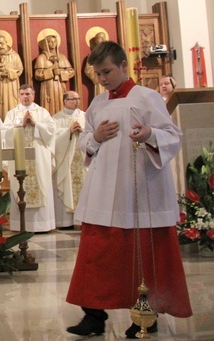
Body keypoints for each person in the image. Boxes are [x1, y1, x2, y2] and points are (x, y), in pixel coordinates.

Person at [66, 41, 192, 337]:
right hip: (102, 191)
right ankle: (94, 316)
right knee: (97, 255)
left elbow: (172, 136)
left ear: (124, 66)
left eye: (107, 71)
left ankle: (144, 317)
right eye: (98, 74)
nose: (103, 79)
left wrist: (149, 133)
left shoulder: (147, 98)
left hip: (138, 190)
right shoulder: (97, 103)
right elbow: (84, 143)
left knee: (141, 256)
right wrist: (94, 137)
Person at [3, 84, 57, 232]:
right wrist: (20, 124)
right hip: (19, 156)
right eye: (22, 94)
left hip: (39, 157)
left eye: (28, 94)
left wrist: (35, 124)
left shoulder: (42, 112)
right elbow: (4, 133)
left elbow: (52, 131)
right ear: (18, 96)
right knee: (19, 186)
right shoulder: (12, 114)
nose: (25, 97)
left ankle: (43, 225)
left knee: (41, 183)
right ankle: (20, 225)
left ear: (33, 96)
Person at [51, 91, 85, 230]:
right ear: (65, 101)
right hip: (65, 160)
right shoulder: (56, 118)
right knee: (65, 185)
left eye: (78, 98)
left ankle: (82, 221)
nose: (76, 101)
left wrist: (82, 130)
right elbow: (53, 138)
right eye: (73, 99)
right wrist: (68, 132)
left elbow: (92, 133)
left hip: (82, 159)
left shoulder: (85, 116)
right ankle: (65, 222)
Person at [34, 32, 75, 116]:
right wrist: (51, 71)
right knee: (49, 104)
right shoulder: (42, 58)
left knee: (61, 102)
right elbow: (38, 74)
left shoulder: (62, 57)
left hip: (60, 85)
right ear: (46, 43)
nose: (53, 44)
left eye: (54, 41)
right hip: (48, 86)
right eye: (50, 42)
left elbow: (71, 71)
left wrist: (61, 72)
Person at [0, 33, 24, 120]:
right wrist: (1, 74)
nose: (0, 46)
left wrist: (12, 73)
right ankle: (2, 122)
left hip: (12, 83)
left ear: (6, 42)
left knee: (13, 102)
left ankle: (15, 122)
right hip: (1, 83)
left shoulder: (14, 55)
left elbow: (20, 69)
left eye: (1, 43)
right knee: (1, 103)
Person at [83, 29, 108, 98]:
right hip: (100, 82)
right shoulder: (93, 55)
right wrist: (98, 77)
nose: (103, 39)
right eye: (100, 38)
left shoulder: (112, 54)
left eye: (104, 37)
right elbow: (88, 70)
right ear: (96, 41)